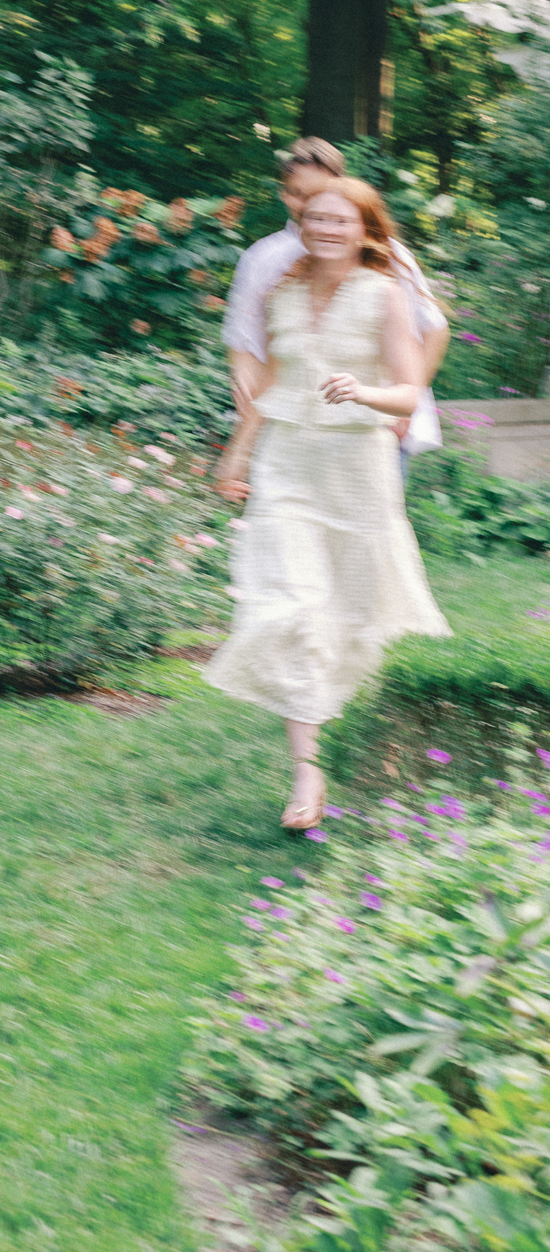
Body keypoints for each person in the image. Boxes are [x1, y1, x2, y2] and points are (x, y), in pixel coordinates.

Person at [208, 177, 451, 830]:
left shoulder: (385, 293)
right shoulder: (282, 291)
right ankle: (307, 772)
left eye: (340, 220)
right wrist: (236, 454)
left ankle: (373, 742)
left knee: (354, 618)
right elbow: (270, 384)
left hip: (355, 470)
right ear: (300, 222)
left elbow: (408, 394)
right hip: (287, 463)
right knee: (291, 607)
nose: (325, 228)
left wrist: (366, 393)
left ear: (366, 230)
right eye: (315, 216)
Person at [223, 139, 450, 470]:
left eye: (318, 193)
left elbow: (434, 329)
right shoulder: (264, 258)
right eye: (298, 193)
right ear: (284, 193)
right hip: (288, 426)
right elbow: (245, 341)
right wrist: (247, 403)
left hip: (370, 425)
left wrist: (402, 404)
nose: (306, 205)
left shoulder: (387, 253)